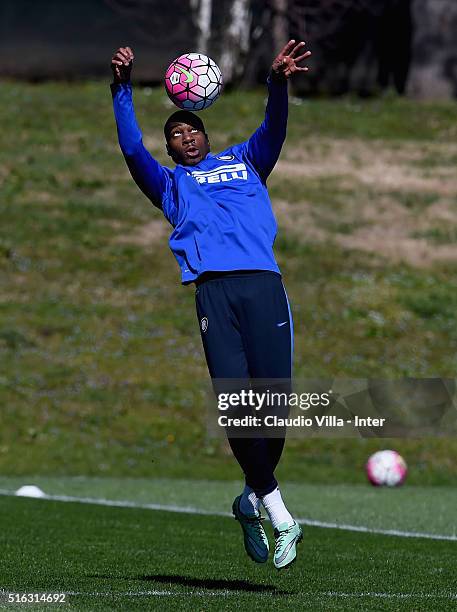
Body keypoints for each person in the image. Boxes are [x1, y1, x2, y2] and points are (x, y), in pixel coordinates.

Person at [110, 40, 311, 570]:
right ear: (171, 151)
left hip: (264, 286)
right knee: (237, 406)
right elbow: (133, 150)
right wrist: (122, 91)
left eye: (191, 130)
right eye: (175, 136)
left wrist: (277, 83)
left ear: (205, 132)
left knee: (273, 414)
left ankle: (249, 500)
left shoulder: (247, 161)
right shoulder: (170, 186)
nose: (185, 138)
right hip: (214, 294)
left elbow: (275, 131)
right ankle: (281, 514)